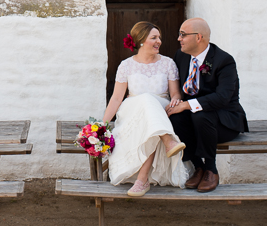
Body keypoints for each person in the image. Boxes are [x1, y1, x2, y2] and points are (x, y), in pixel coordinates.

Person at [102, 21, 192, 197]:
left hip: (161, 109)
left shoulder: (168, 63)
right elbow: (116, 98)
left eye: (159, 38)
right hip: (133, 110)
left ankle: (142, 180)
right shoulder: (126, 65)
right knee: (145, 100)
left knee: (151, 111)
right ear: (141, 40)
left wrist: (175, 100)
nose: (159, 41)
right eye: (154, 38)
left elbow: (175, 94)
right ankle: (168, 141)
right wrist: (103, 124)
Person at [165, 17, 248, 193]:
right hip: (196, 120)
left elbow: (223, 98)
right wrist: (177, 102)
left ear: (198, 37)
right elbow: (177, 86)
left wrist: (187, 105)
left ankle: (211, 169)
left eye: (183, 34)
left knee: (200, 114)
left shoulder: (224, 61)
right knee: (176, 116)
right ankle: (198, 167)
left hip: (224, 121)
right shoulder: (181, 56)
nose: (178, 38)